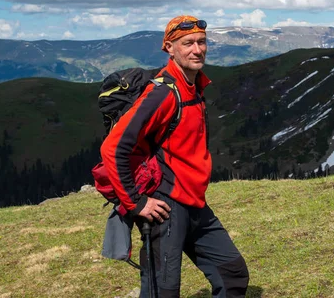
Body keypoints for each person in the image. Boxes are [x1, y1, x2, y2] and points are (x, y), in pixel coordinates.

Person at [100, 15, 249, 298]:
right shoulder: (162, 93)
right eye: (187, 43)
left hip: (195, 204)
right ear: (169, 47)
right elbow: (113, 148)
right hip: (166, 207)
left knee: (233, 275)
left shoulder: (194, 85)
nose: (197, 49)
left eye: (202, 42)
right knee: (163, 292)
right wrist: (136, 202)